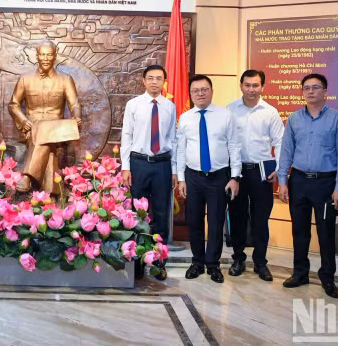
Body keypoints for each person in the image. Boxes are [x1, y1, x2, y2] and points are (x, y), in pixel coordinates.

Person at [277, 73, 338, 299]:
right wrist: (282, 181)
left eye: (316, 87)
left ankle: (327, 277)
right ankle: (300, 273)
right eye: (306, 88)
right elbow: (286, 152)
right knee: (299, 231)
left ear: (325, 91)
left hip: (326, 183)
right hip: (298, 181)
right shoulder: (294, 119)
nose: (310, 91)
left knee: (325, 232)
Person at [176, 75, 241, 284]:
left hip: (219, 178)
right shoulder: (185, 118)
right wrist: (181, 179)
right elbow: (181, 150)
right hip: (193, 177)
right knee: (194, 221)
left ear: (212, 91)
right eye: (195, 90)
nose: (200, 94)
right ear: (190, 94)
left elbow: (234, 146)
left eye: (204, 89)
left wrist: (235, 177)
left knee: (215, 222)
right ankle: (197, 262)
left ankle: (213, 265)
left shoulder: (225, 115)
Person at [225, 69, 284, 281]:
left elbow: (280, 142)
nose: (251, 89)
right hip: (237, 171)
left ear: (262, 87)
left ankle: (260, 262)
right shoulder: (230, 110)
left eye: (255, 85)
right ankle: (238, 259)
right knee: (237, 217)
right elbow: (225, 141)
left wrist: (279, 169)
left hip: (262, 172)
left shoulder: (270, 112)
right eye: (247, 85)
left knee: (260, 219)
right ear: (241, 86)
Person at [120, 64, 177, 281]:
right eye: (150, 78)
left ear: (164, 82)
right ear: (143, 81)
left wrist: (174, 170)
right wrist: (126, 166)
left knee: (161, 215)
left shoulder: (170, 106)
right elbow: (127, 135)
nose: (154, 82)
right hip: (139, 163)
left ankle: (159, 263)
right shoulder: (133, 105)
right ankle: (137, 264)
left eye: (159, 78)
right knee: (137, 215)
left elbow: (173, 139)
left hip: (162, 164)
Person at [8, 40, 82, 194]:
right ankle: (52, 192)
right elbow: (13, 105)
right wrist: (23, 120)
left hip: (57, 130)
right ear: (37, 56)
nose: (46, 58)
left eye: (49, 55)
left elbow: (74, 104)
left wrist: (76, 116)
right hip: (32, 129)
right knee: (44, 139)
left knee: (44, 131)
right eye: (43, 55)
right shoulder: (25, 79)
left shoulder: (65, 79)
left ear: (54, 56)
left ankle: (28, 177)